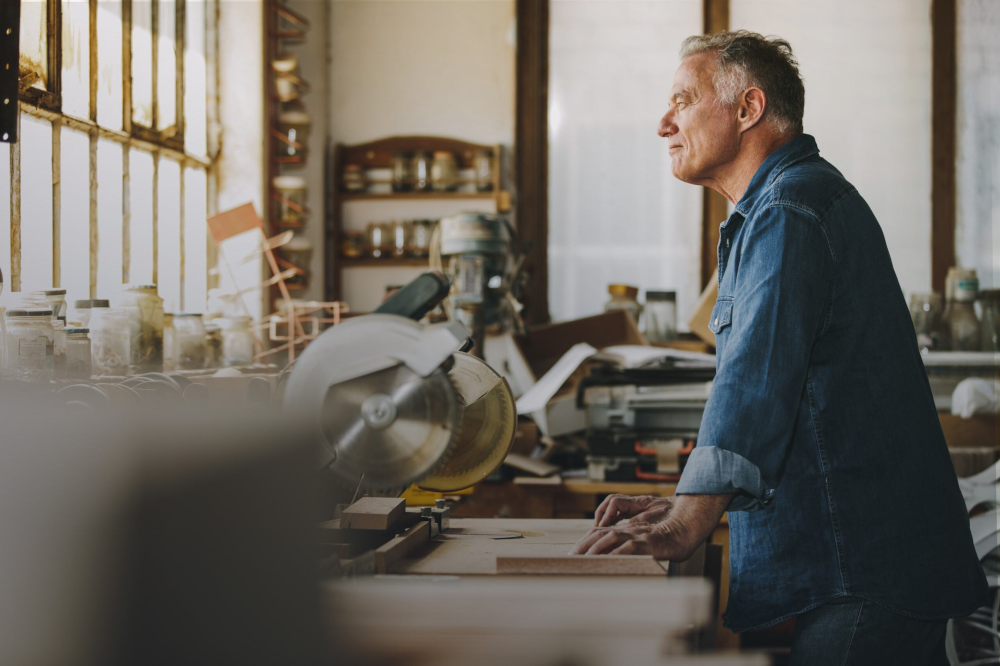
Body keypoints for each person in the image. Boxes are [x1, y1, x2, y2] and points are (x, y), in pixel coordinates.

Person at [570, 31, 988, 665]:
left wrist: (687, 522)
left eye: (682, 100)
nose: (663, 123)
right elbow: (778, 391)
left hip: (866, 571)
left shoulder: (791, 209)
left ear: (748, 109)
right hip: (872, 565)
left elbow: (754, 388)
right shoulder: (787, 203)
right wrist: (683, 501)